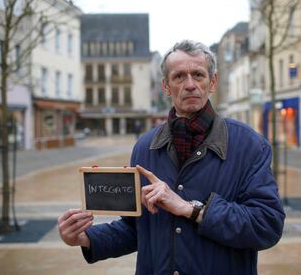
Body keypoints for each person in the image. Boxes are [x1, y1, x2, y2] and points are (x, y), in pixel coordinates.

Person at [58, 40, 285, 274]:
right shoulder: (145, 147)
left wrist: (192, 210)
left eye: (198, 75)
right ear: (166, 86)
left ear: (212, 82)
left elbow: (267, 225)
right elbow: (137, 229)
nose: (190, 85)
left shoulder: (248, 145)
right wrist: (84, 238)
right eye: (179, 77)